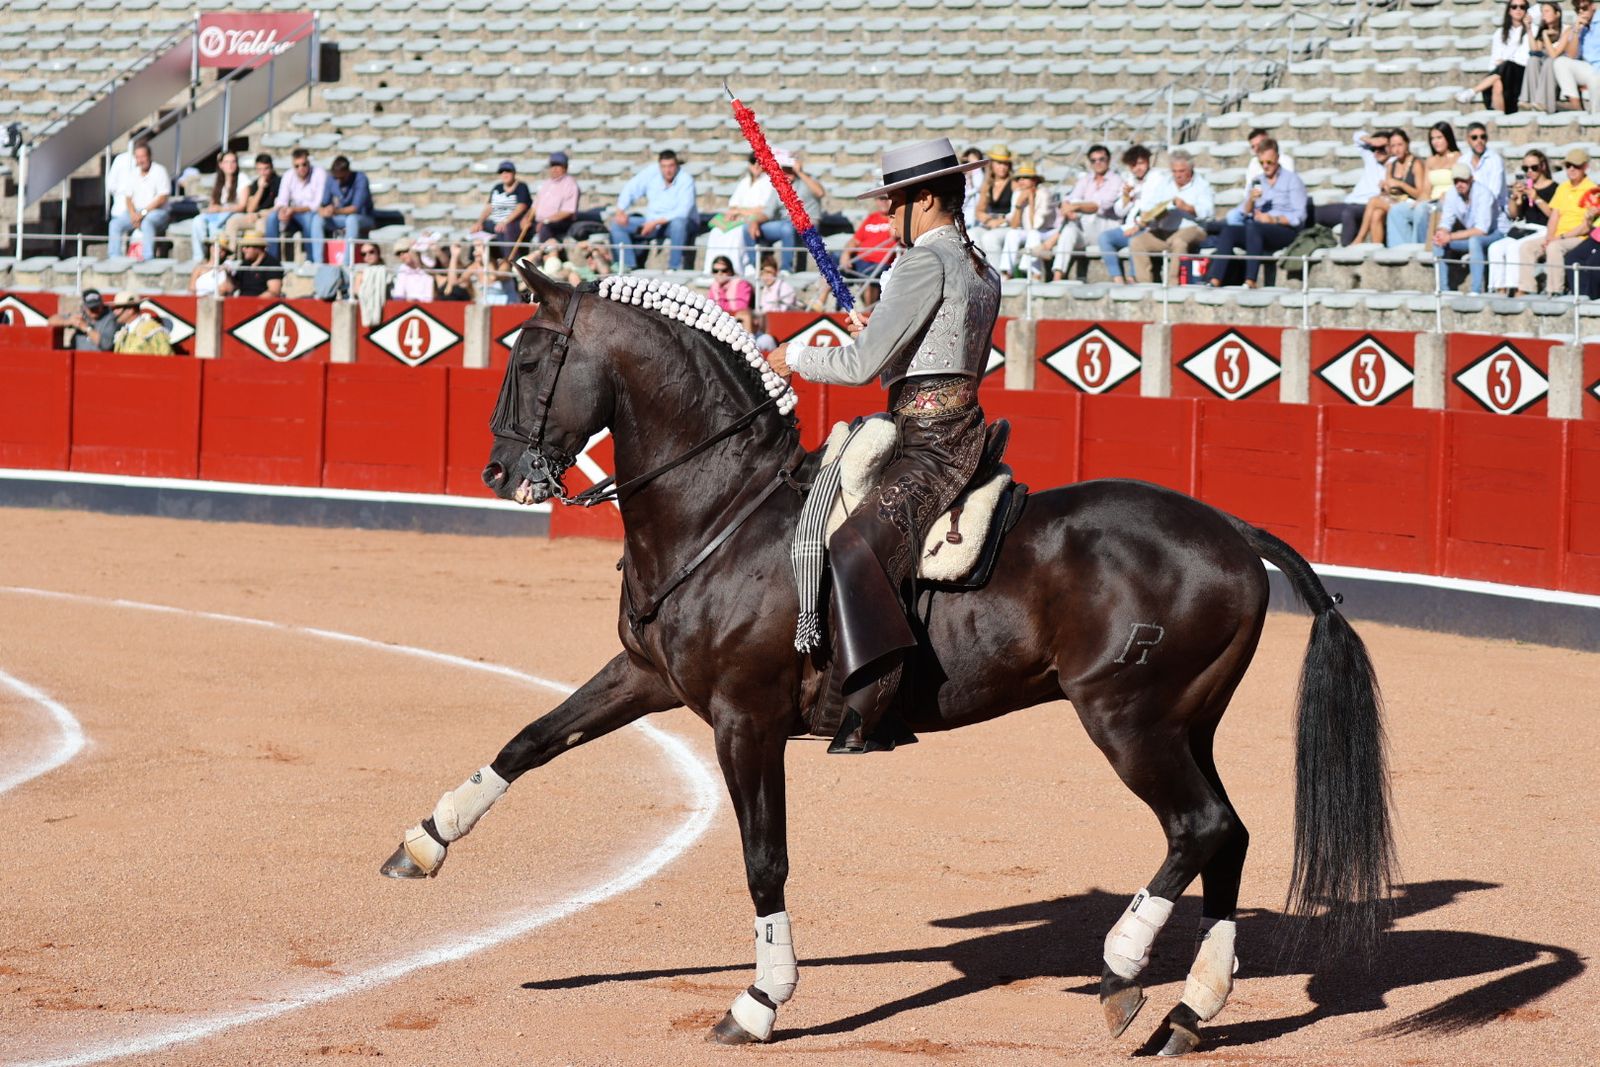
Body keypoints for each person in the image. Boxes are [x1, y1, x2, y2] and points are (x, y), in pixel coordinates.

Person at [766, 137, 998, 754]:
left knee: (853, 543)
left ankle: (874, 705)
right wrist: (885, 337)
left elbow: (861, 367)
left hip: (929, 444)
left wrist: (796, 357)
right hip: (961, 430)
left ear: (925, 199)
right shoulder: (980, 266)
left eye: (895, 200)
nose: (887, 211)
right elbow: (935, 357)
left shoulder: (922, 263)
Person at [1203, 139, 1306, 287]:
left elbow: (1299, 216)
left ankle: (1250, 279)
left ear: (1277, 158)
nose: (1265, 166)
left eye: (1269, 162)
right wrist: (1251, 200)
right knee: (1229, 230)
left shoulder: (1292, 180)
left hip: (1284, 230)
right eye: (1261, 162)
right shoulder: (1258, 181)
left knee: (1254, 228)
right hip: (1257, 230)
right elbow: (1244, 212)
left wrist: (1273, 219)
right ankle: (1215, 279)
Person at [1031, 144, 1123, 281]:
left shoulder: (1116, 180)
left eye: (1101, 159)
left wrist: (1076, 207)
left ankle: (1049, 243)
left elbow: (1101, 206)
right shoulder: (1086, 180)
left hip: (1105, 228)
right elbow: (1069, 200)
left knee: (1086, 214)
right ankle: (1057, 276)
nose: (1097, 163)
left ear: (1108, 160)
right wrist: (1069, 208)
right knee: (1069, 230)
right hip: (1083, 228)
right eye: (1094, 160)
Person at [1128, 150, 1215, 283]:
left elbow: (1208, 212)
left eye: (1182, 171)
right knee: (1137, 242)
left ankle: (1173, 283)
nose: (1178, 175)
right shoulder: (1165, 182)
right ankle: (1144, 284)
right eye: (1174, 171)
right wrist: (1152, 213)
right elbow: (1151, 204)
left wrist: (1187, 207)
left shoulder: (1202, 185)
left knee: (1178, 242)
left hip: (1192, 228)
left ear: (1191, 168)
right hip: (1164, 230)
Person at [608, 149, 698, 270]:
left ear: (676, 165)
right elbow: (631, 188)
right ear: (659, 166)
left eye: (671, 166)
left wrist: (654, 223)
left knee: (678, 224)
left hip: (678, 224)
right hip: (653, 223)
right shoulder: (651, 173)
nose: (668, 170)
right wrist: (620, 211)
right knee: (617, 224)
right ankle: (628, 266)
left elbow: (683, 212)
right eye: (664, 166)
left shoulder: (686, 180)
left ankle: (674, 267)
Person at [1099, 144, 1175, 283]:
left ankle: (1133, 277)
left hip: (1149, 228)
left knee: (1135, 241)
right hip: (1129, 227)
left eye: (1140, 163)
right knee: (1105, 237)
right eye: (1133, 165)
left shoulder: (1158, 179)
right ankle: (1117, 278)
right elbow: (1119, 212)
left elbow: (1156, 208)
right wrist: (1126, 198)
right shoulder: (1129, 180)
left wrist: (1139, 226)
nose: (1137, 168)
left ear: (1147, 161)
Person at [1488, 149, 1557, 294]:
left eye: (1534, 167)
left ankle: (1515, 288)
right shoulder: (1526, 187)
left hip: (1544, 229)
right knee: (1495, 248)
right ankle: (1498, 288)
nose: (1529, 171)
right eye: (1526, 168)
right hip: (1526, 228)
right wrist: (1514, 197)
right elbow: (1514, 215)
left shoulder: (1554, 188)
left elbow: (1553, 215)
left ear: (1543, 166)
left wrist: (1536, 198)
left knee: (1515, 248)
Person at [1432, 162, 1503, 294]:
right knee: (1438, 242)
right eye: (1456, 181)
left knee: (1475, 241)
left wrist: (1450, 236)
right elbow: (1446, 221)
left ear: (1471, 179)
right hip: (1473, 235)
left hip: (1496, 234)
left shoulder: (1483, 194)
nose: (1459, 184)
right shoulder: (1451, 194)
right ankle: (1443, 289)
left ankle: (1476, 290)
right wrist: (1441, 233)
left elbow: (1481, 230)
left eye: (1463, 180)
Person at [704, 152, 779, 276]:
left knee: (737, 233)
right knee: (716, 232)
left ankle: (736, 270)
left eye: (759, 163)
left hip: (757, 220)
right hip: (739, 219)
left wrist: (739, 211)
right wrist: (735, 212)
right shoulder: (744, 182)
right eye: (753, 162)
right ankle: (712, 269)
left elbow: (764, 209)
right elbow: (733, 204)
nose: (756, 165)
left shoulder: (769, 182)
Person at [1387, 123, 1459, 246]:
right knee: (1397, 210)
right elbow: (1426, 190)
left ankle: (1419, 247)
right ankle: (1401, 248)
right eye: (1433, 139)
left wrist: (1450, 194)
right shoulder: (1431, 160)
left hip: (1448, 201)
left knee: (1421, 210)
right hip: (1431, 202)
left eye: (1439, 138)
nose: (1435, 142)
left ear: (1448, 137)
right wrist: (1419, 200)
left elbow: (1461, 184)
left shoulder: (1458, 158)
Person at [1314, 130, 1391, 245]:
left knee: (1349, 213)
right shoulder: (1371, 158)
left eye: (1382, 148)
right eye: (1374, 148)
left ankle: (1347, 251)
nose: (1377, 151)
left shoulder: (1395, 164)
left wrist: (1386, 142)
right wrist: (1371, 140)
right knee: (1313, 212)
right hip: (1350, 202)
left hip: (1368, 205)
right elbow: (1357, 136)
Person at [1542, 147, 1599, 293]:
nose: (1571, 169)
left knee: (1555, 247)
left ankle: (1555, 291)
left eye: (1576, 166)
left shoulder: (1592, 190)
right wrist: (1549, 237)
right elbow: (1554, 216)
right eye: (1568, 165)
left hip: (1578, 236)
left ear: (1585, 167)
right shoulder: (1562, 187)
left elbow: (1586, 227)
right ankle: (1522, 290)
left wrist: (1558, 238)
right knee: (1526, 247)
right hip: (1558, 235)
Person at [760, 148, 826, 271]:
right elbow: (768, 211)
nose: (787, 172)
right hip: (786, 223)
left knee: (787, 228)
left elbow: (820, 192)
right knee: (751, 229)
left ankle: (786, 269)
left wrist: (800, 172)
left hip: (807, 223)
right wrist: (754, 222)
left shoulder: (808, 179)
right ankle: (758, 268)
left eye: (789, 168)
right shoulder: (779, 185)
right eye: (784, 168)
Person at [107, 140, 171, 261]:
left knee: (147, 223)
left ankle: (148, 258)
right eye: (138, 157)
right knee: (114, 224)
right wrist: (133, 215)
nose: (140, 160)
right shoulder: (133, 173)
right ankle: (114, 258)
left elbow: (162, 197)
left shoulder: (159, 171)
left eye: (143, 156)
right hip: (136, 212)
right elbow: (128, 197)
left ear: (149, 156)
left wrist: (142, 214)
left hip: (156, 212)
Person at [1461, 1, 1530, 113]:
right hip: (1502, 72)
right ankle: (1499, 114)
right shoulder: (1500, 33)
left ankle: (1473, 91)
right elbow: (1495, 59)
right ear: (1509, 10)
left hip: (1521, 72)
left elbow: (1525, 57)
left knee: (1507, 65)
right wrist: (1501, 64)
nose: (1518, 9)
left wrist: (1506, 61)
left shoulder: (1531, 29)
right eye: (1514, 7)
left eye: (1522, 7)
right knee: (1497, 81)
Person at [1223, 129, 1298, 226]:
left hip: (1275, 205)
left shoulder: (1285, 161)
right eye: (1253, 146)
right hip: (1256, 204)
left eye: (1259, 144)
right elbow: (1251, 190)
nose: (1256, 149)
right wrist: (1253, 200)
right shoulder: (1253, 164)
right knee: (1233, 216)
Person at [266, 148, 329, 262]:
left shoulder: (319, 173)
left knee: (310, 218)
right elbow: (282, 200)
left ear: (309, 162)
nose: (301, 168)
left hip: (310, 214)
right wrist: (282, 211)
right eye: (297, 166)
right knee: (272, 217)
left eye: (304, 164)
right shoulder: (288, 175)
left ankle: (311, 259)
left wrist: (293, 210)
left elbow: (316, 205)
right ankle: (272, 259)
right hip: (292, 215)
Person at [997, 162, 1057, 278]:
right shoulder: (1018, 194)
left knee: (1034, 234)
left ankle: (1034, 273)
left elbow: (1036, 225)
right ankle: (1006, 272)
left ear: (1034, 180)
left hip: (1048, 231)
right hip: (1031, 231)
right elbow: (1014, 225)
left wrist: (1031, 200)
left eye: (1025, 177)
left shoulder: (1044, 194)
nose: (1021, 181)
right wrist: (1019, 204)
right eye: (1019, 178)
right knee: (1012, 233)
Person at [190, 150, 246, 261]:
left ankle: (215, 258)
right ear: (221, 165)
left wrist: (221, 209)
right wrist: (211, 209)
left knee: (214, 226)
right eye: (227, 162)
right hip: (218, 214)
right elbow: (213, 202)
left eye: (233, 162)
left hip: (232, 213)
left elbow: (242, 206)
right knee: (197, 221)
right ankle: (199, 258)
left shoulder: (242, 178)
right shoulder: (219, 180)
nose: (230, 165)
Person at [318, 156, 374, 265]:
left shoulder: (360, 178)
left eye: (342, 178)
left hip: (363, 218)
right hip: (341, 217)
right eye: (336, 178)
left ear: (348, 172)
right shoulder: (331, 178)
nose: (339, 181)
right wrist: (323, 211)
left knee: (351, 220)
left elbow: (355, 208)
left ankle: (347, 263)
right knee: (317, 219)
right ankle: (318, 261)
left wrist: (335, 211)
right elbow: (323, 203)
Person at [973, 144, 1015, 266]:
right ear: (992, 164)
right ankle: (981, 270)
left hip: (1009, 224)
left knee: (990, 238)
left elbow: (1018, 212)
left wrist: (1000, 221)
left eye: (1005, 164)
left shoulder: (1014, 183)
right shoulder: (988, 184)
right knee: (972, 234)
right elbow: (979, 211)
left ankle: (997, 273)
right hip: (991, 223)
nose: (1003, 167)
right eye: (999, 163)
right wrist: (989, 221)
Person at [226, 154, 282, 244]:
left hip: (268, 217)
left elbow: (279, 207)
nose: (263, 173)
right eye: (260, 169)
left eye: (266, 169)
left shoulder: (279, 182)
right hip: (254, 216)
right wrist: (260, 189)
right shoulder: (256, 184)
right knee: (232, 222)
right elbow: (250, 209)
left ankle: (258, 252)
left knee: (260, 224)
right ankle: (231, 251)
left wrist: (259, 215)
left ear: (271, 168)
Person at [1555, 0, 1600, 110]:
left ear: (1593, 6)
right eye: (1577, 9)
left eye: (1584, 8)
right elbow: (1571, 55)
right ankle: (1576, 106)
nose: (1580, 11)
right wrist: (1576, 32)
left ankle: (1595, 116)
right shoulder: (1579, 27)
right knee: (1560, 62)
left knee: (1595, 80)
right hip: (1589, 68)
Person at [1523, 3, 1568, 111]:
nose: (1544, 15)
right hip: (1545, 68)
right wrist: (1529, 29)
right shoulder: (1544, 30)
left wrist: (1545, 36)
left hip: (1558, 69)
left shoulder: (1566, 30)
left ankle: (1542, 102)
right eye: (1542, 12)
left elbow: (1554, 55)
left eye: (1547, 11)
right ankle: (1532, 102)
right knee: (1533, 60)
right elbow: (1534, 50)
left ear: (1557, 14)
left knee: (1549, 61)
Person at [839, 194, 898, 277]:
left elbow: (895, 236)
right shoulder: (871, 217)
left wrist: (893, 212)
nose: (884, 201)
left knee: (872, 273)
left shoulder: (897, 218)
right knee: (832, 260)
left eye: (887, 198)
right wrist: (846, 253)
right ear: (876, 200)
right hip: (860, 259)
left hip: (881, 263)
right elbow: (855, 240)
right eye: (881, 198)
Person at [46, 289, 118, 351]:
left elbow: (106, 344)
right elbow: (50, 321)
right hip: (78, 356)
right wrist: (69, 321)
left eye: (97, 307)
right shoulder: (82, 315)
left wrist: (86, 328)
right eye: (91, 308)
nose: (94, 311)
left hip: (99, 359)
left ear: (101, 305)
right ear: (84, 307)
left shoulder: (110, 318)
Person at [531, 153, 580, 244]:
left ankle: (545, 251)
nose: (555, 169)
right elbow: (535, 206)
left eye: (558, 166)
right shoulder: (547, 183)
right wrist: (527, 218)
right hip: (540, 220)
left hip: (560, 222)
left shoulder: (570, 185)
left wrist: (546, 220)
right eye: (553, 165)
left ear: (565, 168)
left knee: (545, 227)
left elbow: (567, 211)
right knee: (517, 226)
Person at [109, 291, 174, 355]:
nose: (114, 312)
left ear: (130, 309)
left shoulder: (152, 330)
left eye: (117, 308)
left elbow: (167, 355)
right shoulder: (122, 333)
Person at [708, 254, 755, 332]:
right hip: (721, 323)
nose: (719, 273)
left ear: (730, 271)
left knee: (743, 315)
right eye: (715, 271)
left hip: (738, 324)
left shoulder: (742, 284)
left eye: (724, 270)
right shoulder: (713, 287)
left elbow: (741, 307)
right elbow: (711, 307)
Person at [231, 231, 284, 298]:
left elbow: (274, 291)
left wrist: (253, 302)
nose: (243, 249)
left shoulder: (272, 264)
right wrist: (227, 275)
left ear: (258, 248)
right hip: (242, 301)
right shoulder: (244, 264)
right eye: (243, 247)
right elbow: (233, 286)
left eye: (247, 246)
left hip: (263, 303)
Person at [391, 237, 436, 302]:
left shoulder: (429, 264)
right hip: (409, 306)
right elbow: (398, 295)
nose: (402, 255)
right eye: (398, 253)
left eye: (405, 251)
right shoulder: (402, 269)